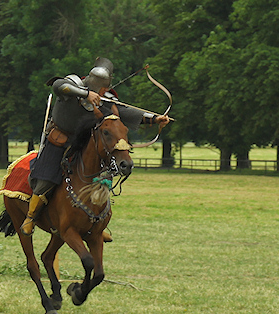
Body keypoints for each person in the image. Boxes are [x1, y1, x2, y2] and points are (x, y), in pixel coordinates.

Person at [21, 57, 169, 236]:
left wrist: (154, 118)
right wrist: (85, 94)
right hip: (59, 139)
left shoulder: (105, 98)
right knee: (47, 177)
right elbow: (58, 86)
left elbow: (123, 112)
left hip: (84, 143)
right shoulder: (72, 85)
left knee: (102, 176)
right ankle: (31, 217)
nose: (102, 89)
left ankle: (98, 225)